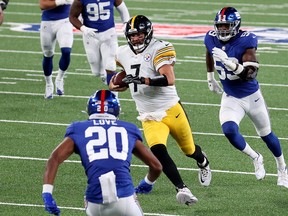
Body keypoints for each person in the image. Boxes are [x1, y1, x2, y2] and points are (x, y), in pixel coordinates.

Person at [109, 15, 212, 205]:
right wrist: (117, 84)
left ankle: (203, 161)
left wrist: (143, 80)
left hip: (171, 109)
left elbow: (169, 79)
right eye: (132, 36)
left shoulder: (160, 47)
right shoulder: (122, 52)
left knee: (189, 149)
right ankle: (182, 189)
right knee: (158, 151)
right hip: (149, 115)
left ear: (147, 33)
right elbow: (122, 78)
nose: (135, 39)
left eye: (139, 35)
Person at [42, 89, 162, 216]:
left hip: (95, 202)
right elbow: (156, 166)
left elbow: (54, 159)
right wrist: (147, 183)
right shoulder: (129, 129)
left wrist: (47, 193)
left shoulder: (78, 128)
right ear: (116, 109)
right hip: (124, 199)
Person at [204, 6, 288, 187]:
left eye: (226, 26)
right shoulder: (210, 37)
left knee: (266, 134)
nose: (222, 29)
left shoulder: (246, 40)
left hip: (252, 96)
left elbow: (251, 73)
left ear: (235, 25)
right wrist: (210, 76)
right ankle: (256, 157)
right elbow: (209, 53)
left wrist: (231, 65)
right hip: (231, 96)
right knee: (229, 131)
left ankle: (282, 167)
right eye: (220, 26)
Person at [69, 0, 130, 93]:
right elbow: (72, 16)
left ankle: (114, 97)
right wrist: (83, 28)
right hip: (90, 35)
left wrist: (126, 23)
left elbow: (123, 9)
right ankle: (104, 75)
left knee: (110, 65)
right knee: (96, 70)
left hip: (109, 34)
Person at [40, 0, 74, 99]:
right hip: (47, 21)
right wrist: (61, 1)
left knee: (66, 51)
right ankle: (49, 83)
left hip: (65, 20)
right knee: (48, 54)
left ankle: (60, 78)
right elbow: (42, 4)